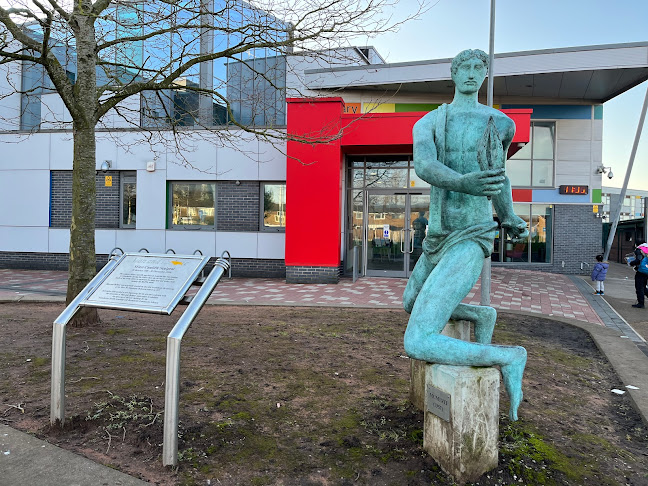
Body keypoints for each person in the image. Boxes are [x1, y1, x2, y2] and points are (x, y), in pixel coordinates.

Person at [402, 49, 529, 421]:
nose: (472, 74)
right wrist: (462, 182)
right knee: (411, 301)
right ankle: (481, 314)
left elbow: (497, 177)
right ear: (453, 74)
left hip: (473, 233)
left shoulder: (500, 122)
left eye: (479, 68)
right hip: (439, 233)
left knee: (417, 340)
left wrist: (508, 217)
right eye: (466, 68)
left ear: (485, 75)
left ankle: (508, 355)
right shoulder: (429, 123)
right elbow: (424, 164)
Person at [630, 240, 648, 308]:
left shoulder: (639, 250)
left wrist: (631, 263)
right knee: (644, 286)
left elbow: (638, 260)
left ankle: (641, 303)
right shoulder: (647, 248)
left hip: (641, 271)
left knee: (639, 287)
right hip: (646, 271)